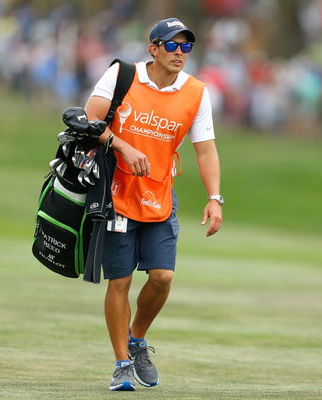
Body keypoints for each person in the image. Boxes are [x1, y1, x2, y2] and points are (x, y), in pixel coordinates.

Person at [84, 17, 223, 391]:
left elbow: (206, 150)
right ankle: (121, 364)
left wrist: (214, 198)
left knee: (162, 277)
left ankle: (136, 338)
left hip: (160, 195)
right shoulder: (122, 75)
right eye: (172, 45)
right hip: (115, 194)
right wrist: (124, 146)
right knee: (121, 280)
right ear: (154, 48)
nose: (180, 53)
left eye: (186, 46)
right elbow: (90, 118)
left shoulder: (196, 92)